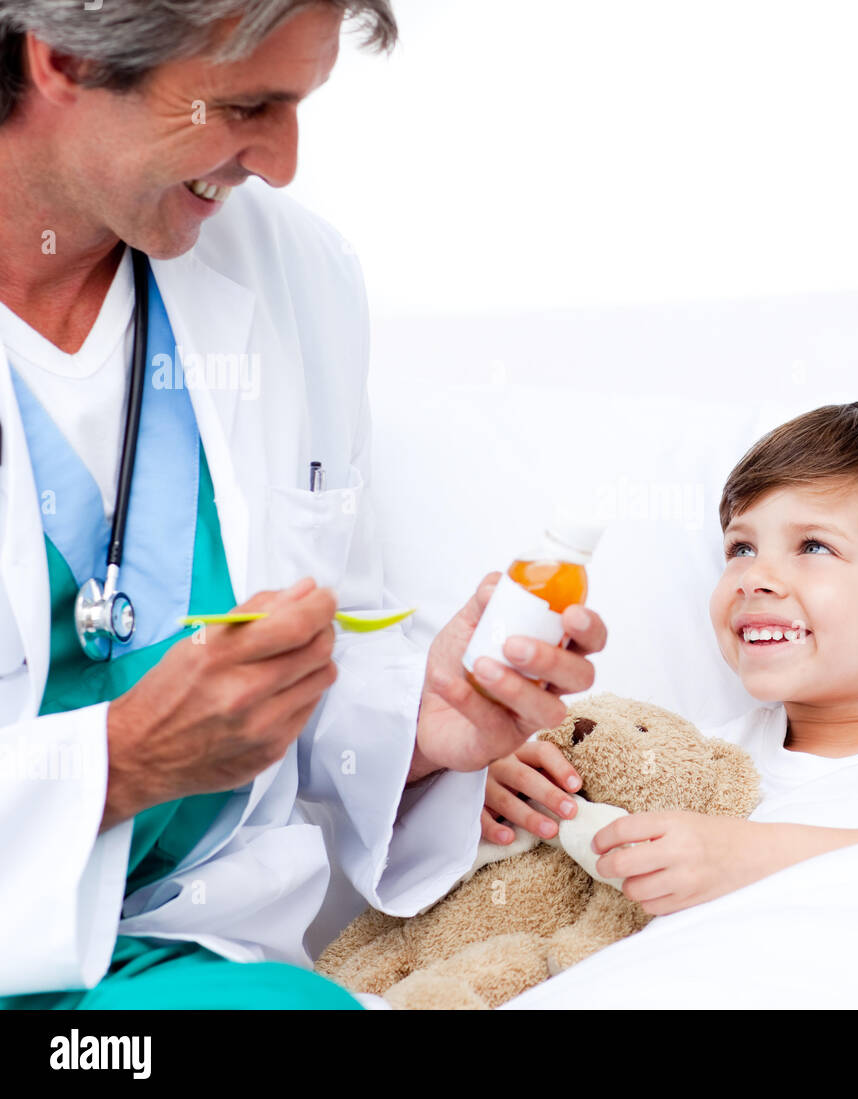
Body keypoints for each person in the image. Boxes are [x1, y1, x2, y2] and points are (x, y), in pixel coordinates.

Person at [0, 0, 606, 1007]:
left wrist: (420, 720)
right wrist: (114, 763)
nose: (279, 162)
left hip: (173, 959)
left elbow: (327, 642)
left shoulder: (292, 273)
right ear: (63, 58)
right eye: (247, 105)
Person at [482, 402, 858, 917]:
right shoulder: (703, 761)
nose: (755, 577)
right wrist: (506, 796)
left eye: (813, 545)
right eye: (740, 547)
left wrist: (750, 858)